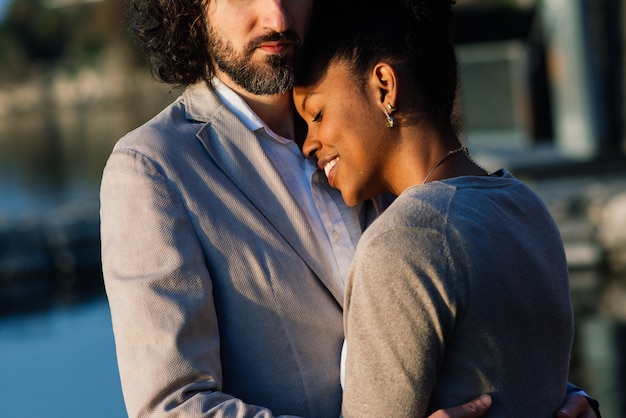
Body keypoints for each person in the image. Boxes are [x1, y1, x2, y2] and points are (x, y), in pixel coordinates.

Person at [99, 0, 598, 416]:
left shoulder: (370, 123)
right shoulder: (154, 169)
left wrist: (559, 401)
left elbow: (471, 304)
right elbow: (173, 407)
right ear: (189, 9)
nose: (277, 17)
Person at [292, 0, 600, 417]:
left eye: (317, 114)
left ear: (384, 85)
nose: (308, 144)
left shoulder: (405, 241)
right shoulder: (526, 207)